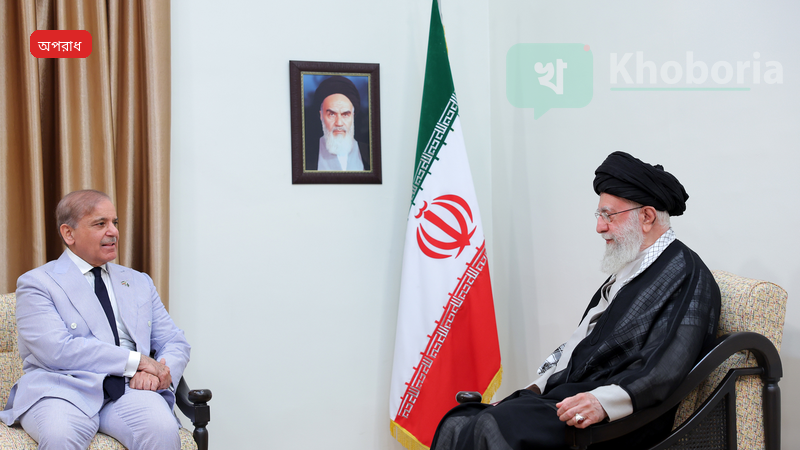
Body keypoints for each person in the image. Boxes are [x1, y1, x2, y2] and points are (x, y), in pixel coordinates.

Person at [431, 152, 721, 450]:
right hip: (573, 398)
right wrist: (535, 388)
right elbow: (581, 344)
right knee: (459, 421)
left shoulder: (685, 273)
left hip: (619, 419)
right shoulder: (632, 266)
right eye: (599, 216)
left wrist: (600, 402)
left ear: (647, 217)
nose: (600, 227)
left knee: (493, 424)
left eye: (609, 215)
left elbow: (666, 367)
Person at [0, 190, 191, 450]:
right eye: (100, 224)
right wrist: (137, 362)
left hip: (129, 389)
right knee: (60, 436)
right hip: (61, 389)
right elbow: (58, 350)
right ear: (69, 234)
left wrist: (158, 375)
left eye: (115, 222)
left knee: (162, 429)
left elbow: (174, 340)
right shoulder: (37, 283)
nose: (113, 232)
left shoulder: (138, 281)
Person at [304, 75, 371, 171]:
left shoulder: (370, 153)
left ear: (353, 116)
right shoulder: (305, 155)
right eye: (331, 114)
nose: (339, 123)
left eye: (345, 114)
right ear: (321, 115)